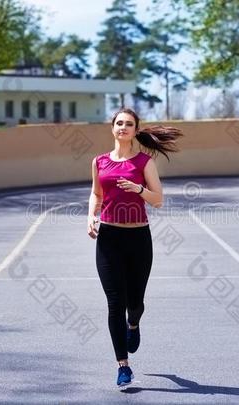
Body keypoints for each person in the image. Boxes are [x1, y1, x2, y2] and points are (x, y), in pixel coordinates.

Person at [87, 108, 183, 387]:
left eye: (129, 124)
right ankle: (123, 365)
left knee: (135, 303)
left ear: (135, 129)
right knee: (114, 303)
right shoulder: (99, 161)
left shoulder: (144, 162)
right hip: (108, 240)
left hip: (138, 239)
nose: (123, 127)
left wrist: (137, 189)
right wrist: (91, 216)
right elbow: (96, 193)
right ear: (112, 128)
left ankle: (134, 324)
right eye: (119, 123)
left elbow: (158, 200)